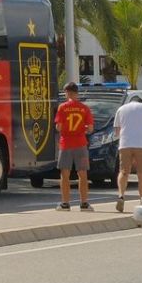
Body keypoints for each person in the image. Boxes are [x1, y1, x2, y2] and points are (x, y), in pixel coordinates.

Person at [53, 84, 94, 212]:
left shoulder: (62, 107)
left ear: (67, 93)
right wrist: (83, 129)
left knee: (65, 174)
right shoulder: (84, 108)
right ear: (76, 93)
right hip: (81, 144)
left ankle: (65, 204)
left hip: (65, 144)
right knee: (82, 174)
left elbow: (58, 127)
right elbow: (91, 128)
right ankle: (84, 204)